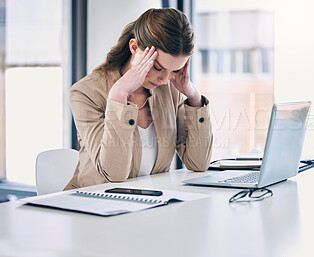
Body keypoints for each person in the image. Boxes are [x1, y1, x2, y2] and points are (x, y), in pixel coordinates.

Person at [65, 8, 213, 190]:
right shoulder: (86, 92)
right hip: (94, 203)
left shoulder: (169, 90)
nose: (165, 80)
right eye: (158, 68)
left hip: (149, 204)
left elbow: (199, 163)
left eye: (174, 70)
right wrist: (118, 95)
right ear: (134, 48)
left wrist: (195, 99)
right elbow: (114, 174)